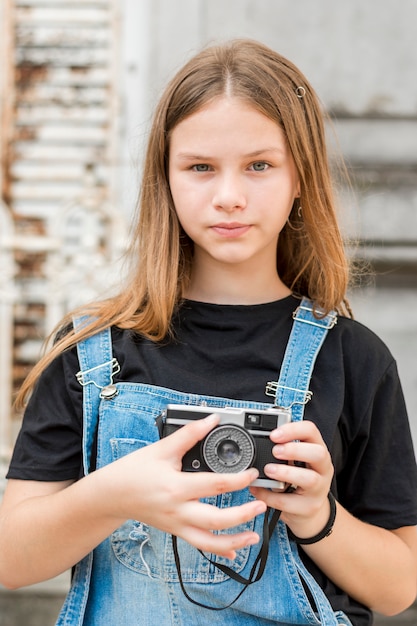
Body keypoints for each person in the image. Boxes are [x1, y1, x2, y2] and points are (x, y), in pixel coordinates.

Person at [0, 38, 416, 626]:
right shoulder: (91, 350)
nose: (229, 196)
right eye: (199, 167)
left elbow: (397, 589)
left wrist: (318, 516)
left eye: (259, 165)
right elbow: (12, 560)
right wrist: (118, 493)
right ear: (164, 179)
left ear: (300, 176)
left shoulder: (354, 359)